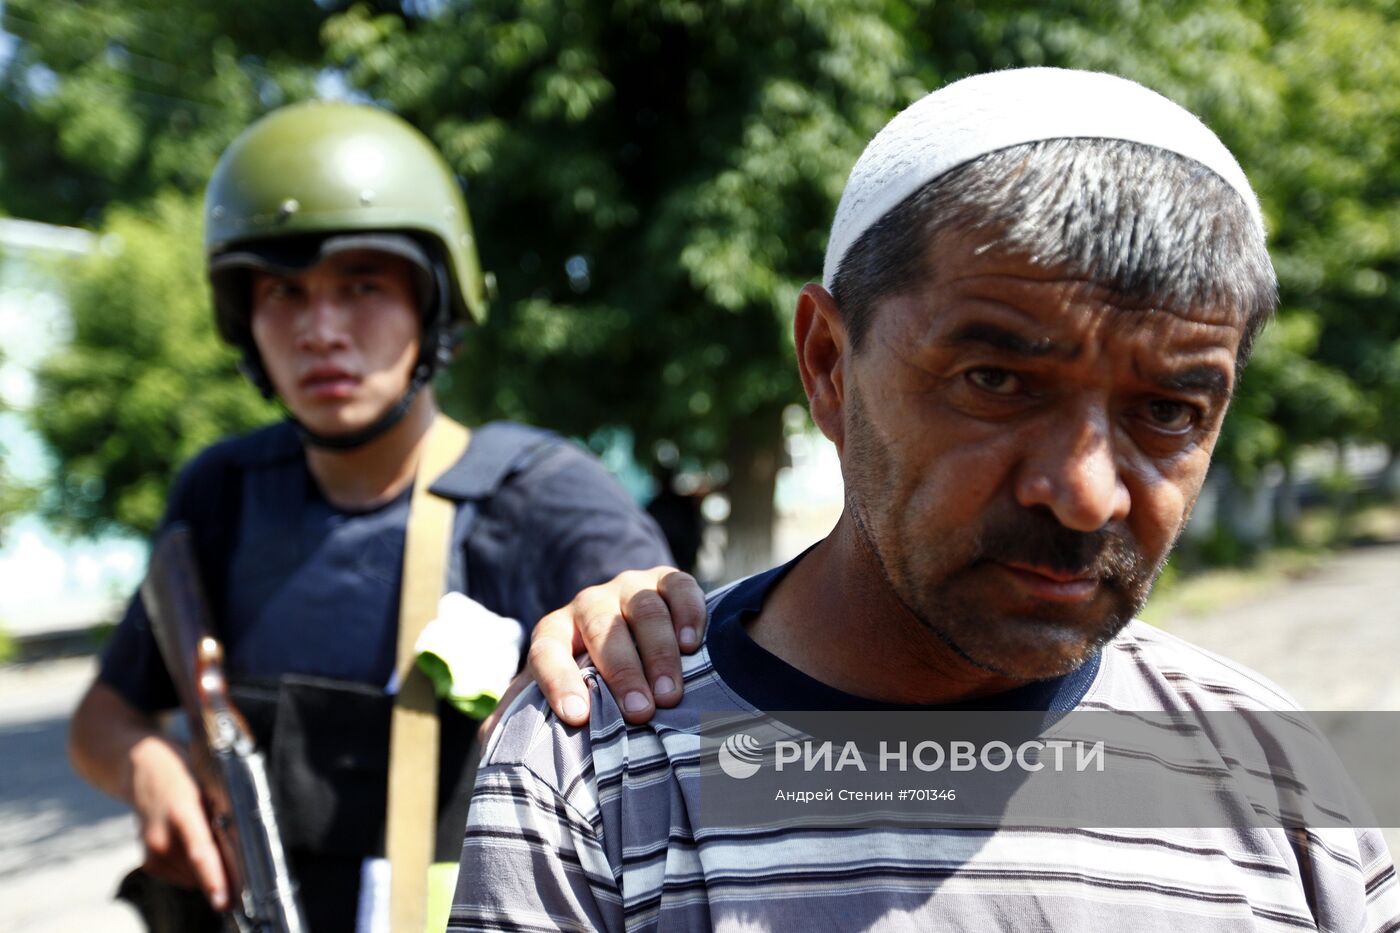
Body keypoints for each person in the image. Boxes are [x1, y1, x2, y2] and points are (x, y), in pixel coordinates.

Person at [451, 68, 1400, 930]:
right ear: (828, 363)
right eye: (995, 380)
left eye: (1166, 409)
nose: (1082, 494)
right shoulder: (601, 773)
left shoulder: (1275, 774)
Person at [66, 101, 704, 933]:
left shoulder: (542, 490)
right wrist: (146, 761)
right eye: (283, 293)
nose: (320, 330)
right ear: (245, 320)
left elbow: (664, 641)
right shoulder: (221, 492)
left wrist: (629, 613)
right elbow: (102, 716)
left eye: (362, 286)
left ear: (433, 306)